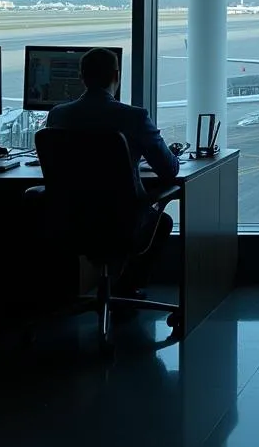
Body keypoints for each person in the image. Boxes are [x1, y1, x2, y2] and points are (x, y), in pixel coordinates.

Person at [46, 47, 180, 296]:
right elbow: (170, 170)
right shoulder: (134, 117)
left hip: (73, 221)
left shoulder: (57, 116)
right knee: (162, 221)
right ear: (116, 77)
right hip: (121, 222)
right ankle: (126, 291)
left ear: (81, 77)